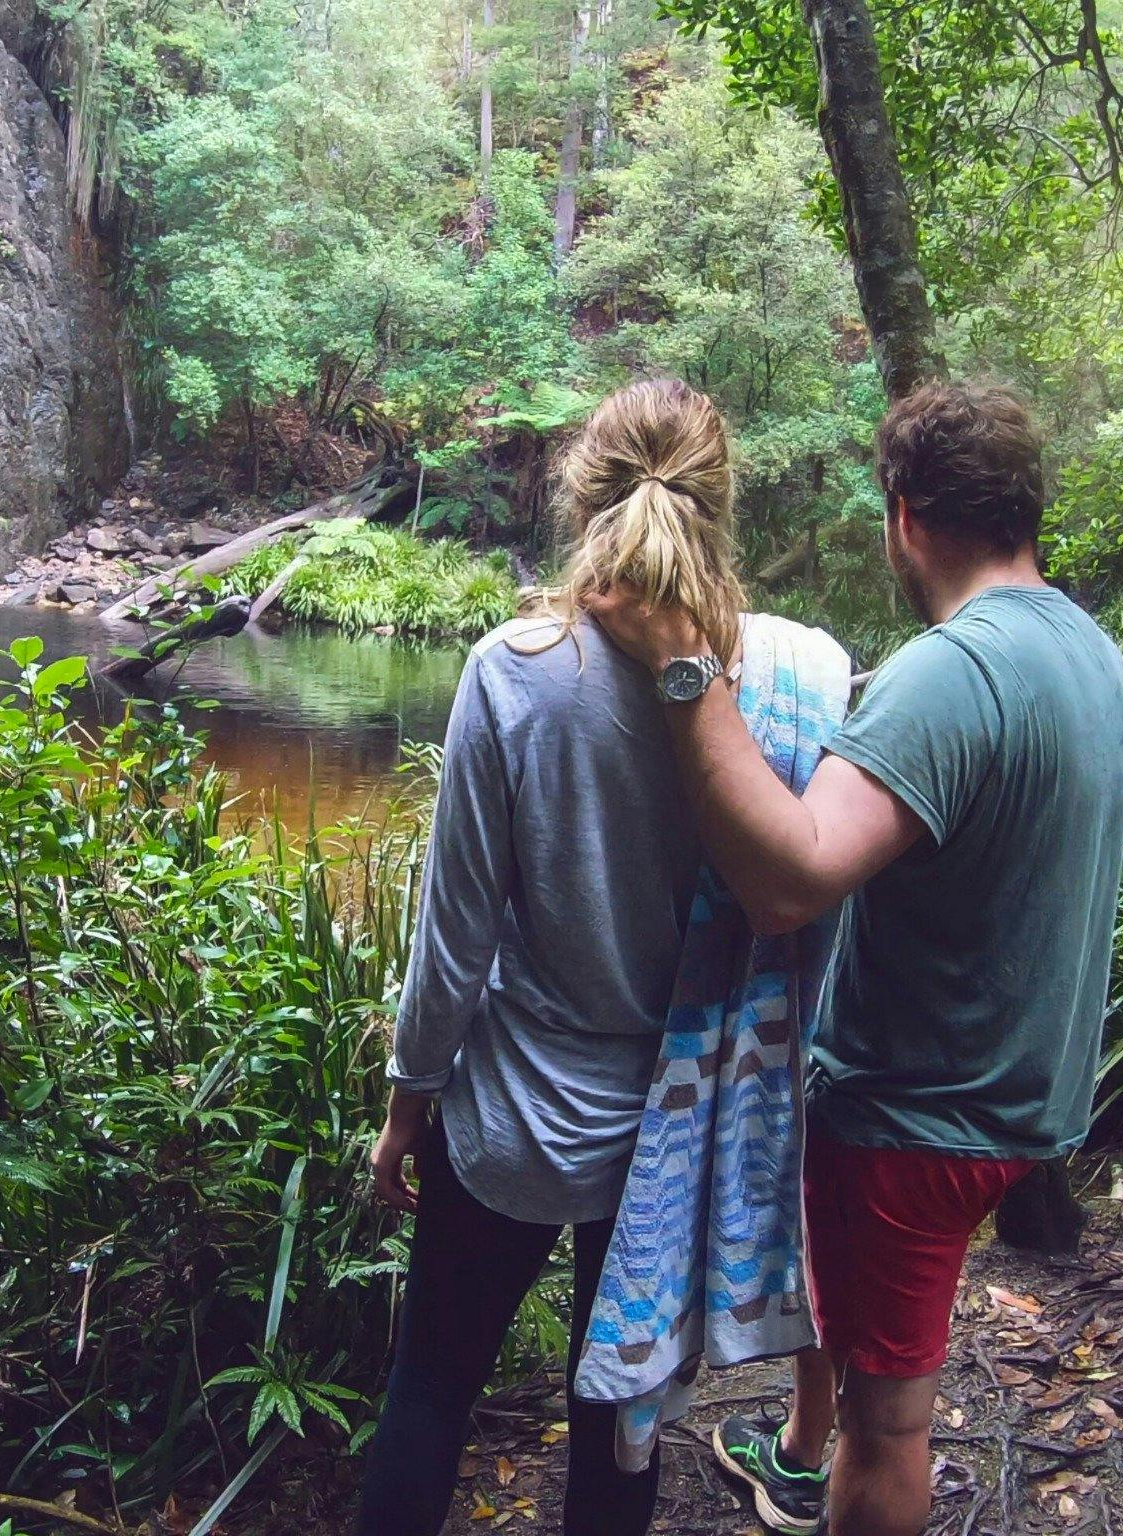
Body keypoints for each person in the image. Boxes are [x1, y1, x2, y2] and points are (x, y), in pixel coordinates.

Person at [588, 380, 1123, 1536]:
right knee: (869, 1371)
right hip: (1022, 1101)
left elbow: (788, 880)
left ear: (903, 515)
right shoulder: (1088, 652)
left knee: (888, 1428)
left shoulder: (948, 676)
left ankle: (823, 1474)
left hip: (915, 1125)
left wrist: (686, 666)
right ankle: (794, 1449)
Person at [352, 378, 847, 1536]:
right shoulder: (785, 676)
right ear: (720, 506)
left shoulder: (514, 668)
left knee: (429, 1389)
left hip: (519, 1116)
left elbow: (455, 932)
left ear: (580, 499)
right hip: (677, 1134)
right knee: (616, 1429)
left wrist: (406, 1103)